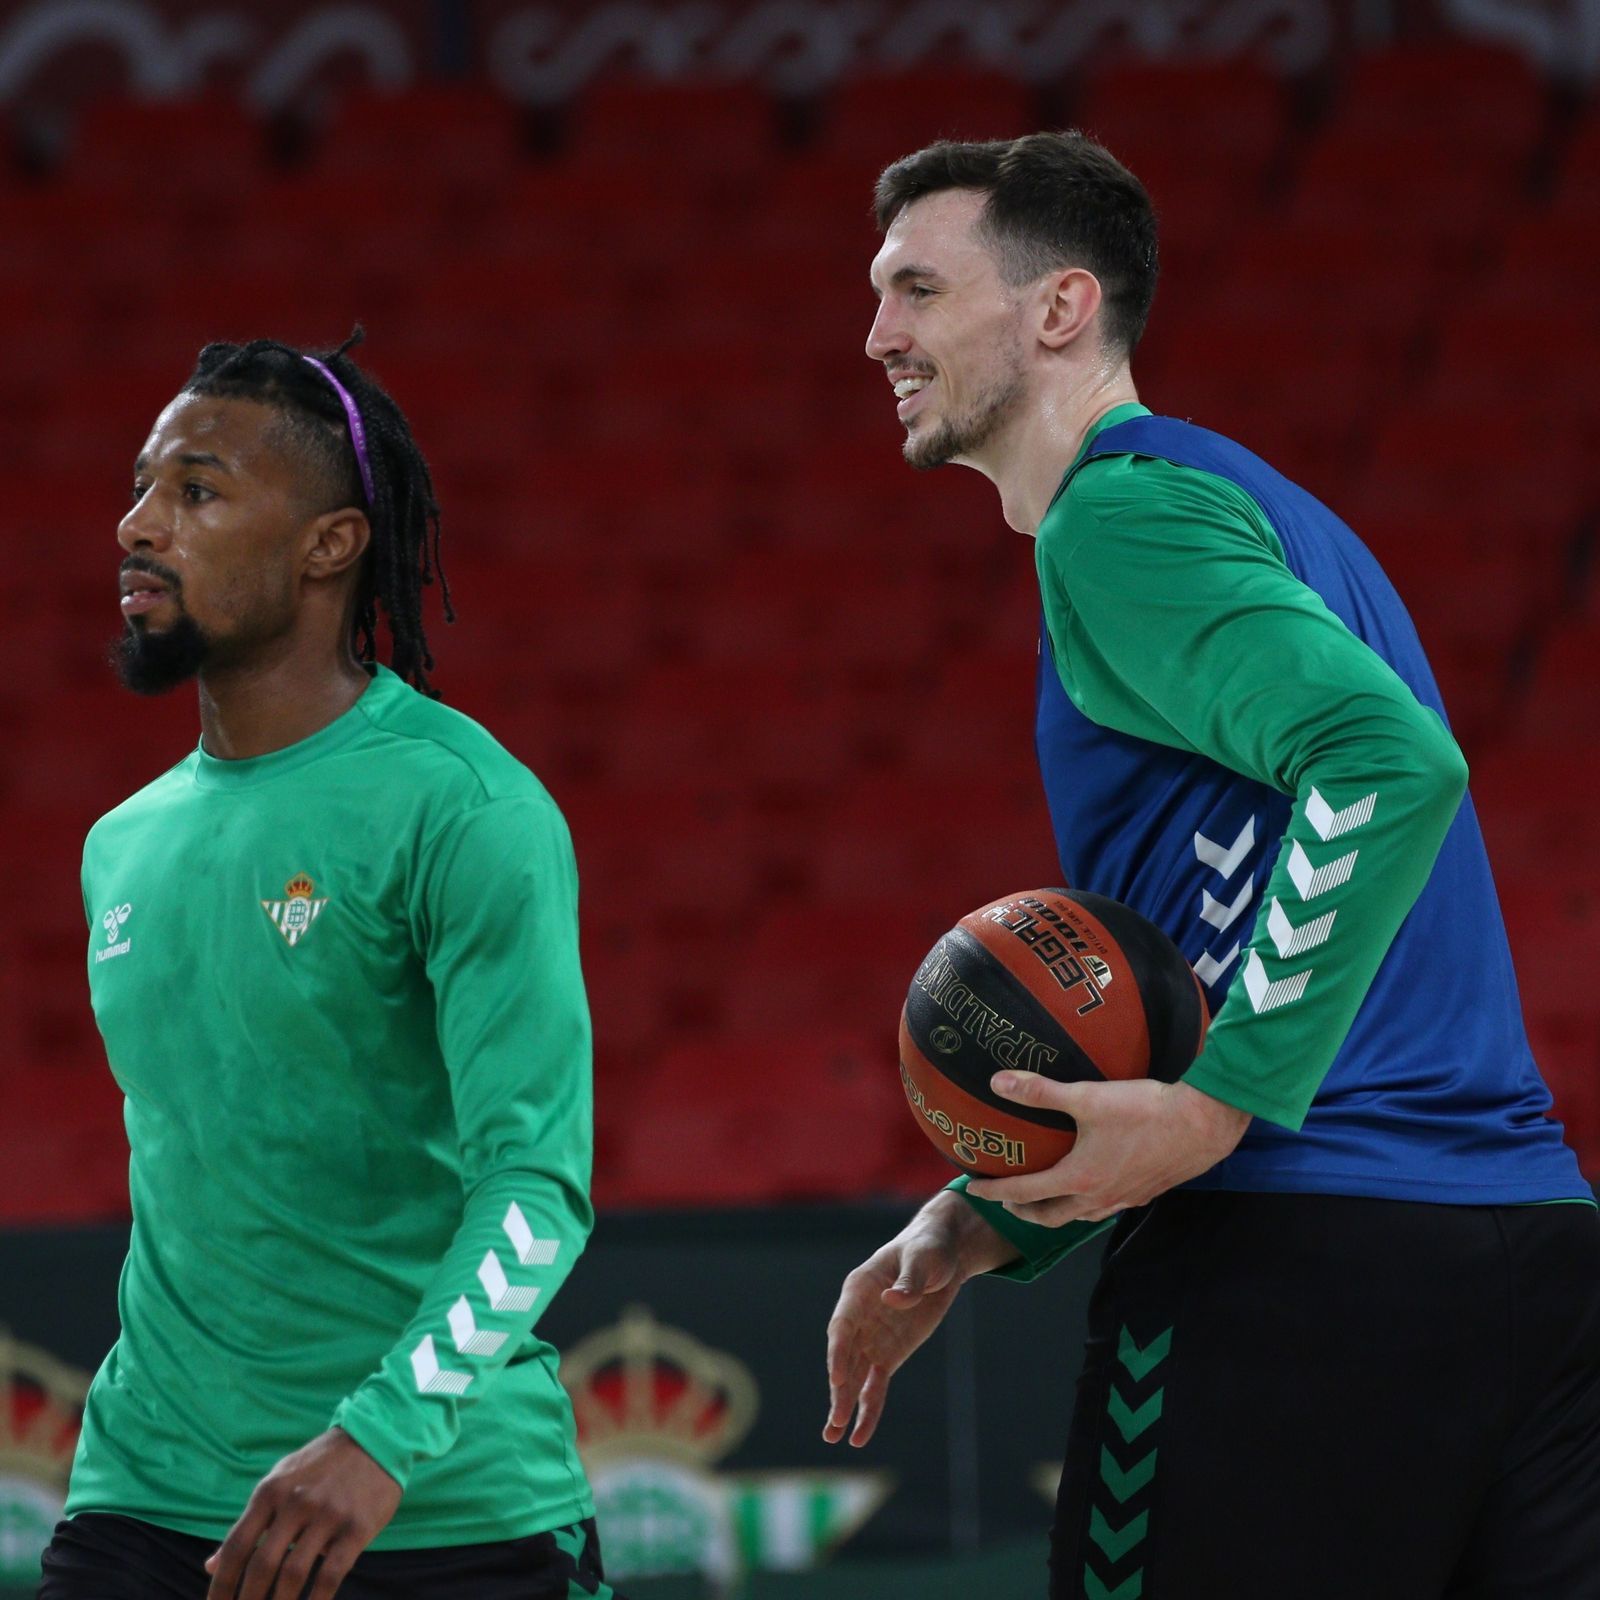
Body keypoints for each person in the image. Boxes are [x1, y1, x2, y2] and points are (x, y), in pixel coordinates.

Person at [825, 133, 1600, 1599]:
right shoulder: (1256, 510)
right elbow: (1208, 943)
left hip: (1304, 1263)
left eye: (917, 291)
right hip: (1526, 1255)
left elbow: (1392, 767)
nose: (878, 335)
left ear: (1059, 311)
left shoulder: (1117, 519)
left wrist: (1216, 1109)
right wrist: (984, 1217)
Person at [39, 334, 616, 1600]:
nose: (137, 524)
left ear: (329, 544)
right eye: (140, 486)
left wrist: (377, 1436)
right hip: (146, 1505)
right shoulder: (119, 844)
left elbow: (536, 1189)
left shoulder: (463, 806)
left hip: (443, 1513)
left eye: (195, 491)